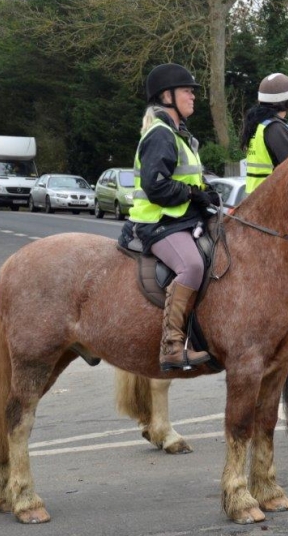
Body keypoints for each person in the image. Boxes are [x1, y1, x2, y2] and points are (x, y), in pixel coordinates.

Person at [127, 63, 221, 372]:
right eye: (187, 91)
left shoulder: (181, 136)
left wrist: (207, 192)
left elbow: (189, 179)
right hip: (158, 223)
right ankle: (171, 344)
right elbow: (156, 186)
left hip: (180, 219)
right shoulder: (160, 134)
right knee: (191, 266)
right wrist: (193, 195)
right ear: (166, 96)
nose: (193, 97)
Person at [240, 72, 288, 194]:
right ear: (287, 103)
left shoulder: (258, 126)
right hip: (273, 200)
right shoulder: (276, 129)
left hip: (257, 198)